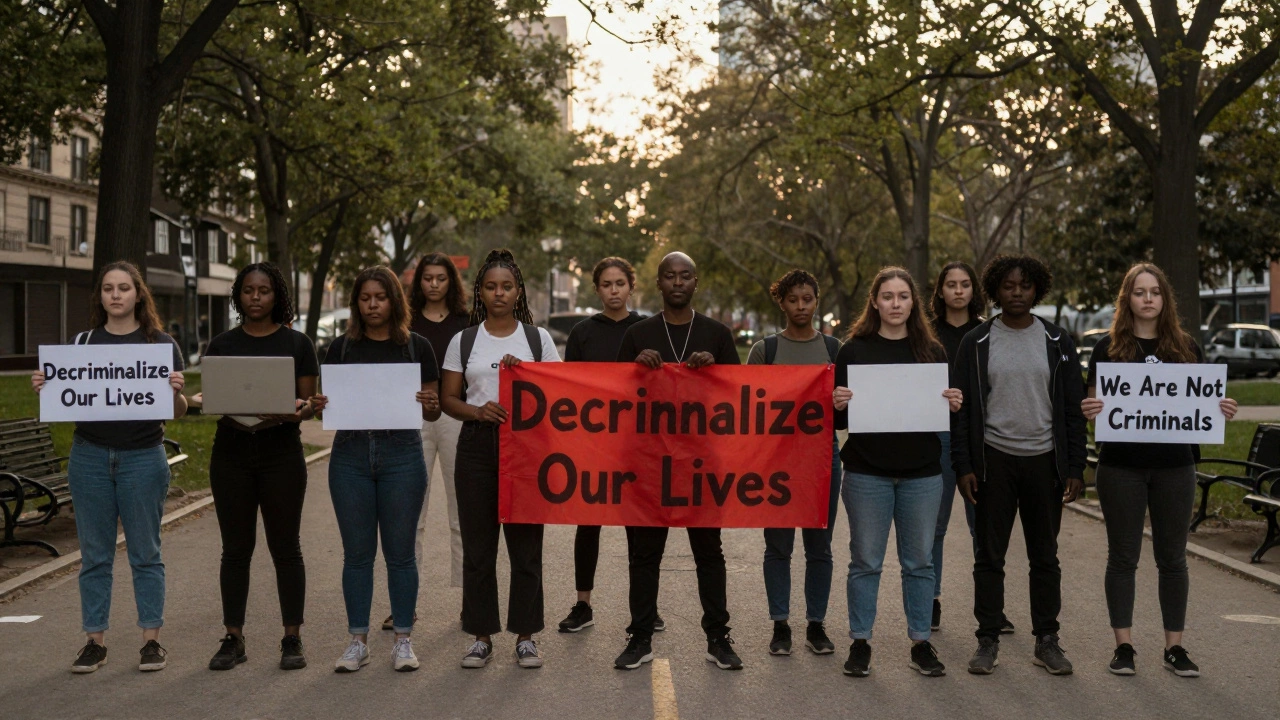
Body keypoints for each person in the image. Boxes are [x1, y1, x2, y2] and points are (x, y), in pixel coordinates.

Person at [1081, 263, 1238, 677]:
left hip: (1175, 467)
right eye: (1139, 291)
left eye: (1155, 292)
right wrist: (1090, 407)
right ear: (1127, 299)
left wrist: (1220, 409)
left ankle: (1175, 648)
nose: (1148, 298)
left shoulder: (1186, 348)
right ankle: (1124, 646)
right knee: (1123, 558)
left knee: (1173, 559)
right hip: (1121, 468)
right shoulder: (1108, 350)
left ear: (1165, 299)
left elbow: (1202, 404)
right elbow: (1095, 404)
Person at [31, 261, 187, 674]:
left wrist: (176, 392)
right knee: (95, 555)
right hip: (90, 457)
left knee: (145, 552)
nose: (115, 295)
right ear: (100, 296)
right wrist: (47, 386)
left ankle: (151, 641)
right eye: (107, 289)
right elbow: (69, 395)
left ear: (139, 294)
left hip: (143, 457)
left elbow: (178, 411)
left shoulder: (160, 344)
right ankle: (93, 642)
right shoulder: (82, 344)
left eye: (123, 288)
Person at [951, 254, 1087, 676]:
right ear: (995, 290)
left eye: (1024, 286)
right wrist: (964, 465)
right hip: (994, 461)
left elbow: (1071, 409)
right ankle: (987, 639)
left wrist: (1075, 467)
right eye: (1008, 286)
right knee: (989, 556)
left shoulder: (1056, 341)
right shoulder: (975, 341)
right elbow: (962, 410)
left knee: (1045, 556)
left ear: (1037, 290)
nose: (1016, 293)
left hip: (1044, 462)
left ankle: (1047, 640)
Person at [612, 251, 744, 672]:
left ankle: (718, 638)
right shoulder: (638, 334)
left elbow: (740, 396)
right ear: (658, 283)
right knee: (644, 553)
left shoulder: (717, 333)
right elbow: (613, 396)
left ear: (695, 282)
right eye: (669, 276)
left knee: (710, 552)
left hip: (702, 462)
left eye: (685, 276)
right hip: (649, 462)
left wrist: (715, 369)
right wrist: (636, 367)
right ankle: (641, 637)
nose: (677, 283)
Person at [308, 266, 441, 673]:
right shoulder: (340, 349)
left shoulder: (417, 347)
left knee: (401, 555)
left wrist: (429, 403)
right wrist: (319, 407)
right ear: (355, 303)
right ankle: (357, 641)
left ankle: (403, 639)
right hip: (350, 457)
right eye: (365, 298)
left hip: (402, 455)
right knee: (357, 555)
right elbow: (324, 405)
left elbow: (433, 408)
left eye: (380, 297)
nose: (372, 305)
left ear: (394, 301)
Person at [831, 267, 961, 678]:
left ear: (913, 303)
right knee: (865, 560)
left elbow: (943, 414)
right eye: (887, 296)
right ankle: (860, 642)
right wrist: (837, 402)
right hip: (867, 473)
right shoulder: (854, 350)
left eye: (903, 296)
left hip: (923, 474)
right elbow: (840, 419)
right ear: (875, 301)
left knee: (919, 562)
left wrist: (952, 401)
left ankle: (921, 642)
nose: (895, 304)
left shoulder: (932, 352)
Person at [439, 248, 560, 669]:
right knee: (478, 548)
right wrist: (477, 411)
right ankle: (481, 636)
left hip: (526, 450)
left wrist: (527, 374)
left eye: (506, 286)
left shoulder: (536, 339)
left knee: (525, 548)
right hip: (476, 446)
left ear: (518, 291)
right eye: (491, 287)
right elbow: (448, 399)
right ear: (480, 293)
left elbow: (559, 394)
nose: (499, 293)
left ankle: (525, 637)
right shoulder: (464, 340)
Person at [201, 263, 319, 671]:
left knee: (286, 548)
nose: (255, 297)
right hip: (231, 451)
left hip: (280, 453)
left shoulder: (298, 343)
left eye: (264, 290)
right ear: (238, 295)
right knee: (235, 549)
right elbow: (211, 399)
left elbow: (307, 406)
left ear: (276, 296)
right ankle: (233, 638)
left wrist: (297, 412)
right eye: (248, 290)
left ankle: (292, 638)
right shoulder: (221, 345)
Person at [748, 270, 841, 657]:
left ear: (816, 300)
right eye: (793, 300)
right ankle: (781, 625)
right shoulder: (764, 351)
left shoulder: (836, 349)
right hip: (777, 461)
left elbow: (851, 410)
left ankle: (816, 625)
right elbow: (744, 407)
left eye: (807, 299)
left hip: (822, 458)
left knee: (820, 545)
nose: (801, 306)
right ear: (781, 303)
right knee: (779, 546)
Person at [378, 253, 470, 632]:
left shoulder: (468, 324)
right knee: (408, 517)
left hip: (455, 418)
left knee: (461, 513)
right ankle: (405, 605)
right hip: (409, 420)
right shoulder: (404, 324)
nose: (433, 284)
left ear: (452, 282)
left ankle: (471, 601)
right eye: (427, 278)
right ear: (418, 283)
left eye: (441, 278)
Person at [557, 257, 645, 633]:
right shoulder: (582, 332)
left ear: (630, 287)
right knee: (588, 523)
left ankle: (645, 607)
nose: (613, 290)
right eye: (606, 284)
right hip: (594, 443)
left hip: (637, 442)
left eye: (620, 284)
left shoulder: (645, 328)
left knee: (638, 528)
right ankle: (583, 604)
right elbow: (570, 388)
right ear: (597, 289)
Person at [928, 261, 1015, 634]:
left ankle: (991, 606)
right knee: (934, 526)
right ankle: (928, 601)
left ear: (973, 290)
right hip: (936, 437)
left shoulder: (988, 333)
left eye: (965, 284)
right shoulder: (926, 333)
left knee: (984, 525)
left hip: (980, 439)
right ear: (941, 291)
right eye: (951, 284)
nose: (959, 290)